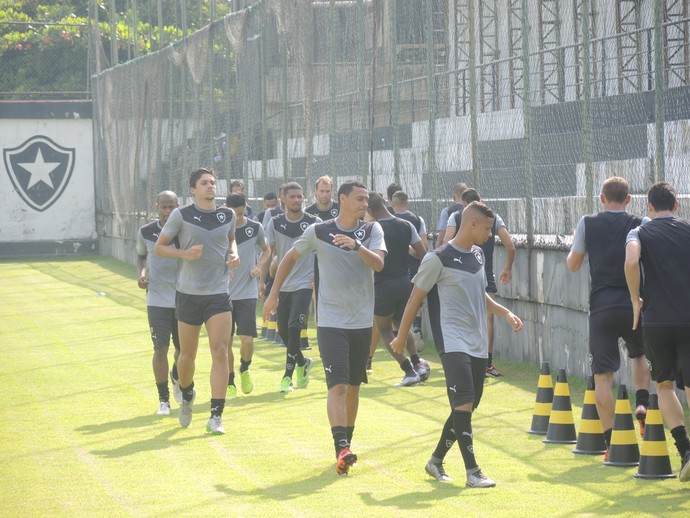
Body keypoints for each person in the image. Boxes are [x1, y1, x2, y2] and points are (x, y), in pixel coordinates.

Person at [391, 201, 523, 487]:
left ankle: (435, 460)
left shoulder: (477, 255)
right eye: (488, 229)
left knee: (468, 406)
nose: (491, 235)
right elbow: (415, 298)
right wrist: (401, 337)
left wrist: (505, 312)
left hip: (477, 342)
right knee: (463, 402)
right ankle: (473, 472)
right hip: (452, 342)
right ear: (472, 224)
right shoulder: (437, 258)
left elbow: (480, 295)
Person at [263, 180, 386, 475]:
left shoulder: (372, 230)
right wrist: (273, 293)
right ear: (342, 199)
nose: (364, 204)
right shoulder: (319, 230)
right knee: (338, 385)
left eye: (366, 200)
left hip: (361, 322)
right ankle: (341, 447)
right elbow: (289, 258)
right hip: (330, 323)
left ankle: (347, 445)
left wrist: (357, 246)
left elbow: (379, 264)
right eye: (359, 199)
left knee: (354, 388)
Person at [566, 177, 651, 455]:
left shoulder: (587, 223)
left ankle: (611, 442)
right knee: (639, 355)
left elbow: (574, 264)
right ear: (628, 200)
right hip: (634, 303)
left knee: (602, 377)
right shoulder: (641, 222)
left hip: (601, 306)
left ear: (601, 199)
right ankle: (641, 401)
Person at [155, 167, 240, 435]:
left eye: (213, 182)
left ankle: (216, 415)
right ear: (193, 189)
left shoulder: (227, 214)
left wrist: (234, 254)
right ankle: (187, 390)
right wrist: (184, 254)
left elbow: (231, 240)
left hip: (218, 293)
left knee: (220, 350)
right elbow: (160, 247)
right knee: (186, 357)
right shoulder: (181, 215)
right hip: (189, 294)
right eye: (204, 183)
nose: (210, 186)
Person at [625, 181, 690, 481]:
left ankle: (685, 451)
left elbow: (631, 260)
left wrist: (635, 300)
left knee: (664, 385)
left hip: (656, 320)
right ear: (676, 205)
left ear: (648, 207)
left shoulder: (639, 231)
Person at [444, 188, 515, 377]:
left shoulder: (456, 217)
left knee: (465, 315)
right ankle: (487, 363)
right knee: (487, 317)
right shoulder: (495, 219)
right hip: (486, 273)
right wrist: (507, 268)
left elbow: (445, 242)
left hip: (459, 274)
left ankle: (471, 359)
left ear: (465, 205)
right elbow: (510, 245)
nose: (488, 234)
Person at [366, 191, 428, 386]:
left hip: (383, 285)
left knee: (384, 329)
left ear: (368, 209)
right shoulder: (406, 225)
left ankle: (408, 370)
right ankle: (418, 363)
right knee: (401, 325)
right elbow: (422, 253)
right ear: (386, 202)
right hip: (404, 283)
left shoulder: (372, 228)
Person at [264, 182, 320, 392]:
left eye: (300, 196)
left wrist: (318, 274)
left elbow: (324, 251)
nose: (297, 200)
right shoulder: (275, 222)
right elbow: (271, 252)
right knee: (283, 332)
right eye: (293, 197)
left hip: (305, 283)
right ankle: (302, 362)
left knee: (295, 327)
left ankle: (287, 377)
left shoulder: (314, 223)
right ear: (283, 200)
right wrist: (264, 281)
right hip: (282, 284)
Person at [136, 190, 182, 416]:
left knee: (184, 351)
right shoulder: (146, 231)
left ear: (178, 206)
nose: (167, 211)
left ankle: (177, 375)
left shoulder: (186, 230)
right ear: (157, 207)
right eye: (164, 207)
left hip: (185, 297)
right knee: (160, 347)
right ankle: (163, 400)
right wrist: (142, 273)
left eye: (172, 207)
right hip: (157, 299)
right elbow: (142, 256)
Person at [225, 192, 271, 399]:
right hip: (222, 294)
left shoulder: (255, 227)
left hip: (247, 293)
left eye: (241, 213)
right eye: (233, 214)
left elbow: (267, 250)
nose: (237, 218)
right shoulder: (219, 229)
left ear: (246, 208)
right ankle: (230, 380)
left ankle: (244, 368)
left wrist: (259, 266)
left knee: (247, 341)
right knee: (224, 342)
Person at [390, 189, 429, 346]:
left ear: (393, 203)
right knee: (414, 299)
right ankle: (416, 328)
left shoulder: (388, 219)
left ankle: (397, 336)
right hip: (413, 266)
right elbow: (424, 245)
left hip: (392, 267)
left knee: (394, 304)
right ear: (407, 203)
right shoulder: (418, 220)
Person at [435, 182, 467, 247]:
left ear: (453, 197)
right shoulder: (474, 212)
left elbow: (442, 237)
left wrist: (436, 252)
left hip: (453, 250)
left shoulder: (447, 211)